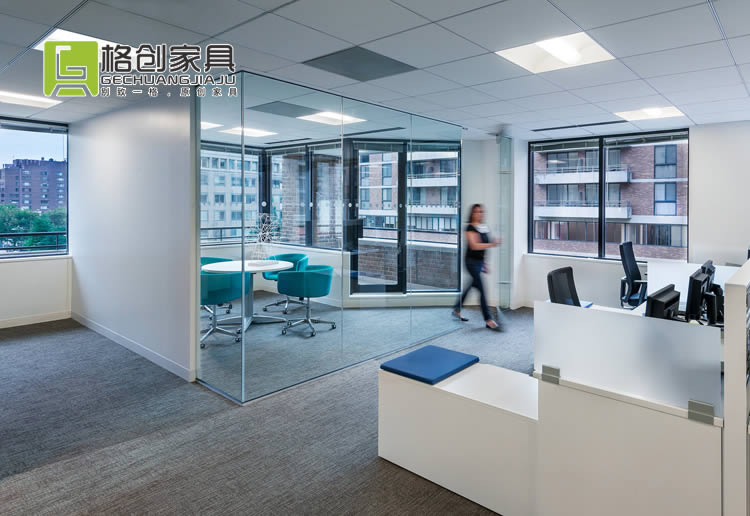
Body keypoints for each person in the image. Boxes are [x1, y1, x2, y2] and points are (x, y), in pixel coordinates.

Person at [452, 204, 502, 331]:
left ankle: (457, 308)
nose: (479, 214)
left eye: (481, 211)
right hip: (470, 262)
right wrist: (492, 244)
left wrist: (484, 264)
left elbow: (483, 248)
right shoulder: (469, 227)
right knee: (482, 289)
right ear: (472, 213)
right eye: (476, 211)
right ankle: (488, 319)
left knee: (471, 286)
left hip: (479, 263)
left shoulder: (484, 227)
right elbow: (474, 246)